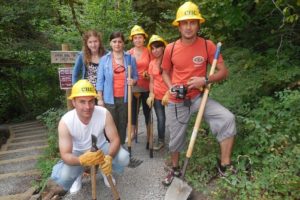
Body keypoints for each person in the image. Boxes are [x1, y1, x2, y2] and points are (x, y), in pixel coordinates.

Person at [161, 1, 237, 186]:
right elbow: (164, 72)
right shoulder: (170, 48)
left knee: (227, 118)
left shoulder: (207, 46)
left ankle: (224, 165)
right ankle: (175, 169)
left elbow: (223, 71)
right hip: (177, 100)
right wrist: (171, 86)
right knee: (176, 137)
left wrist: (205, 80)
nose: (188, 27)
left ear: (198, 24)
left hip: (198, 97)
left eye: (192, 22)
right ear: (178, 26)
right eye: (184, 23)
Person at [42, 80, 130, 199]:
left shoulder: (104, 113)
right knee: (64, 176)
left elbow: (115, 139)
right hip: (78, 152)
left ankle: (105, 170)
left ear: (95, 100)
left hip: (101, 147)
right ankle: (77, 175)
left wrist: (109, 157)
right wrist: (81, 160)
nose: (87, 107)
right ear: (73, 102)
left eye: (91, 101)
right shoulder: (65, 122)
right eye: (82, 102)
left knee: (124, 157)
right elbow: (65, 154)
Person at [96, 32, 138, 145]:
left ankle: (121, 149)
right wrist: (100, 99)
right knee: (110, 125)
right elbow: (99, 81)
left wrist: (133, 81)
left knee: (122, 124)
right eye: (114, 41)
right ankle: (110, 150)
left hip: (125, 98)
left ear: (123, 44)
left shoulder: (130, 58)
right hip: (109, 99)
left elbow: (136, 77)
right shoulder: (104, 60)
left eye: (120, 41)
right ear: (110, 43)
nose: (117, 44)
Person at [128, 25, 151, 141]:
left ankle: (149, 134)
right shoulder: (129, 53)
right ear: (132, 39)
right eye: (135, 38)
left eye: (140, 37)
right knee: (133, 112)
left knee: (147, 111)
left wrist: (149, 73)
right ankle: (132, 132)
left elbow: (154, 66)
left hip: (147, 86)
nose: (138, 40)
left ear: (144, 39)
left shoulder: (149, 51)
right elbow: (125, 70)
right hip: (133, 86)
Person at [146, 35, 168, 151]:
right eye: (153, 48)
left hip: (170, 95)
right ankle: (161, 140)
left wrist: (169, 93)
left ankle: (178, 140)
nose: (155, 51)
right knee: (161, 118)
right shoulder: (152, 63)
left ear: (163, 47)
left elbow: (175, 78)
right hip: (157, 96)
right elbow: (151, 81)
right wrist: (151, 94)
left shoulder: (170, 61)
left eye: (157, 47)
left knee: (175, 118)